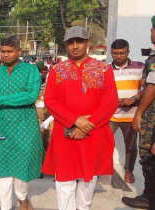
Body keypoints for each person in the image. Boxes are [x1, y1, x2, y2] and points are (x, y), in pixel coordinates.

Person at [41, 26, 118, 210]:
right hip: (65, 134)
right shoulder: (57, 71)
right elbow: (50, 101)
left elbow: (111, 102)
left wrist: (87, 125)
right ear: (66, 45)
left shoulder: (103, 69)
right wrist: (76, 120)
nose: (75, 46)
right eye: (71, 43)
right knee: (64, 182)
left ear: (87, 43)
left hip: (93, 134)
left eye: (79, 42)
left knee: (87, 181)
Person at [0, 35, 42, 210]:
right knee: (3, 174)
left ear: (19, 51)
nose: (6, 55)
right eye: (3, 52)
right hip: (1, 129)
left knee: (23, 174)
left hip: (25, 129)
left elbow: (31, 95)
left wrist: (2, 99)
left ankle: (22, 196)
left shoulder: (31, 71)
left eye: (10, 51)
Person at [121, 16, 155, 210]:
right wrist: (136, 97)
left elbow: (152, 86)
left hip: (151, 117)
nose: (150, 33)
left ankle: (150, 198)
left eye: (152, 29)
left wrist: (139, 112)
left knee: (148, 155)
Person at [109, 39, 145, 183]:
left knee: (130, 147)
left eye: (122, 53)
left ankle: (128, 171)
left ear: (128, 52)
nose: (119, 56)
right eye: (115, 53)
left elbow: (148, 88)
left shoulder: (140, 67)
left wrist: (135, 98)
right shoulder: (106, 69)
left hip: (132, 115)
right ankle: (102, 170)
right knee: (104, 144)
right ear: (111, 53)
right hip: (110, 116)